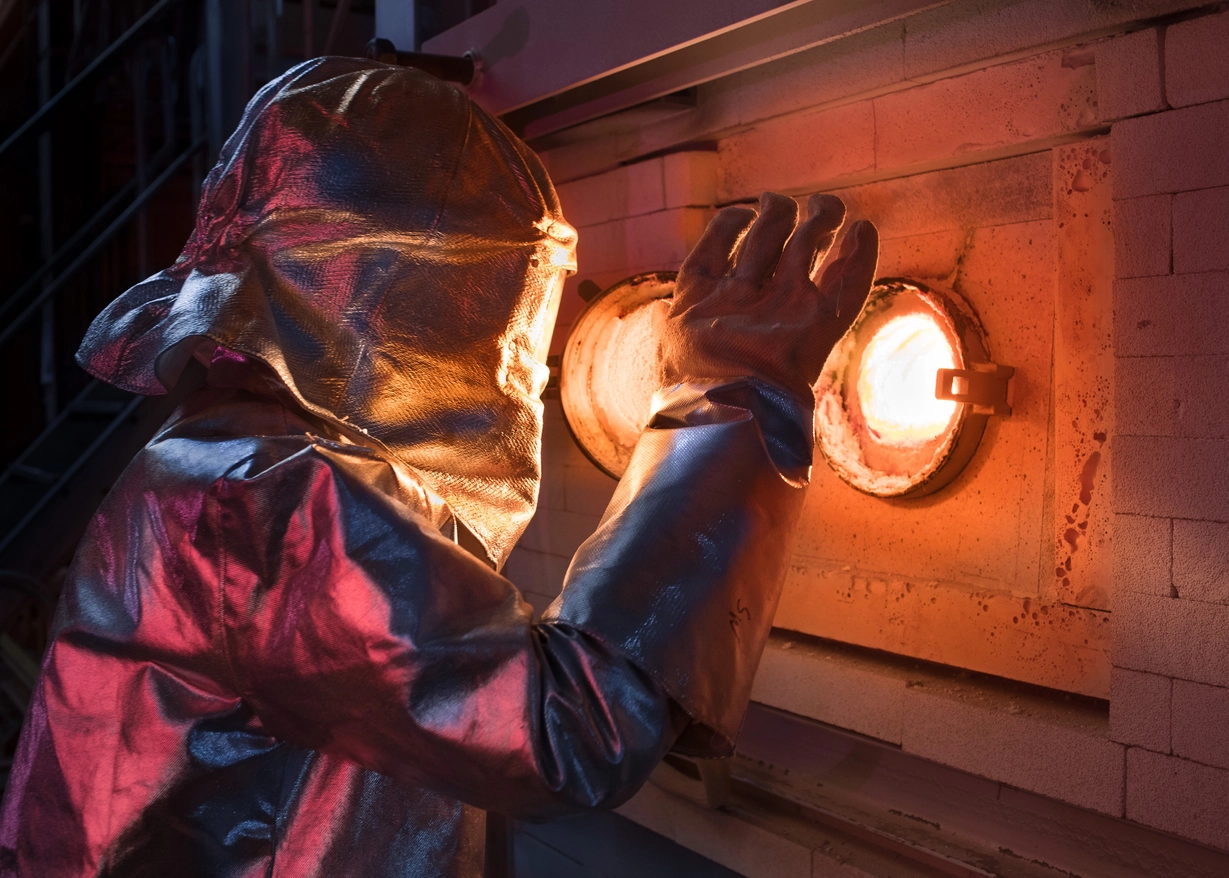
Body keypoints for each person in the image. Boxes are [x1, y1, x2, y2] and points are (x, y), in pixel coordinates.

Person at [0, 57, 877, 877]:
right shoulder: (263, 498)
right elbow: (568, 731)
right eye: (503, 313)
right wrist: (732, 392)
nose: (522, 370)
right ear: (408, 293)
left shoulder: (225, 456)